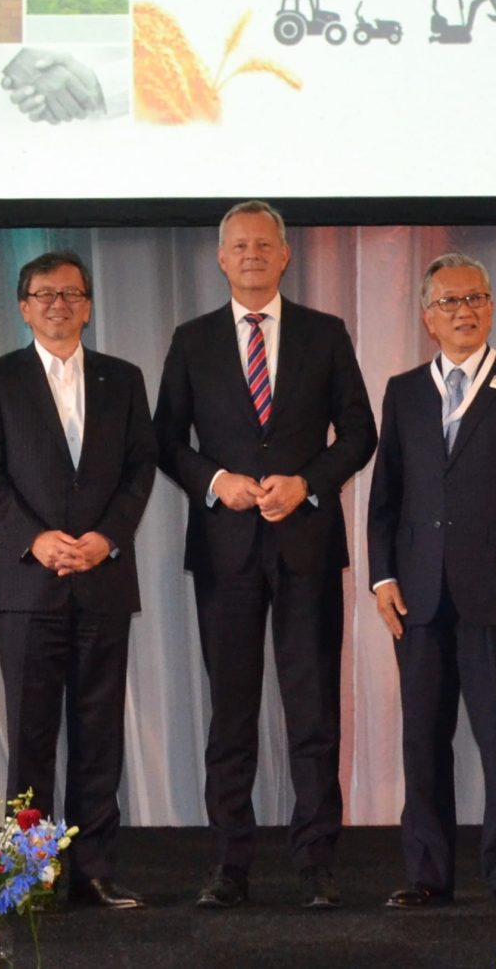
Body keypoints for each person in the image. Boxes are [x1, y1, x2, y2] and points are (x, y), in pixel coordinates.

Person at [153, 200, 377, 910]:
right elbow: (165, 439)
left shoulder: (325, 332)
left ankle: (317, 863)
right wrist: (218, 483)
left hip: (307, 544)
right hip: (225, 551)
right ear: (221, 259)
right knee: (232, 713)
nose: (251, 253)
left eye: (264, 244)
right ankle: (230, 863)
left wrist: (307, 482)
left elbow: (361, 432)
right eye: (238, 244)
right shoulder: (192, 339)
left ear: (285, 256)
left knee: (314, 712)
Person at [0, 251, 158, 908]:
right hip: (26, 585)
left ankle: (94, 870)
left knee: (100, 731)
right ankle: (29, 872)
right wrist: (34, 538)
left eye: (71, 293)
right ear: (22, 306)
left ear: (89, 303)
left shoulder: (123, 378)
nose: (58, 303)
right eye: (43, 293)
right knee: (31, 736)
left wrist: (107, 538)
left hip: (102, 578)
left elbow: (140, 470)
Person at [367, 254, 496, 912]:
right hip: (418, 593)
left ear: (492, 306)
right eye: (449, 301)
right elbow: (385, 494)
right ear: (427, 316)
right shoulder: (404, 389)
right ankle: (427, 874)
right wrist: (382, 574)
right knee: (421, 737)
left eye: (475, 297)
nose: (464, 310)